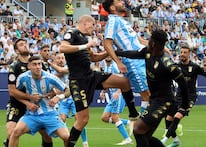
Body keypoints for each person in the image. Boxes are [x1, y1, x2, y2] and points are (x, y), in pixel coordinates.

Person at [60, 15, 139, 147]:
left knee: (123, 82)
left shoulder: (85, 39)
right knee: (82, 120)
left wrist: (111, 52)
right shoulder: (72, 33)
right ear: (85, 23)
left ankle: (133, 114)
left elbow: (94, 58)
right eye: (93, 25)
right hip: (78, 82)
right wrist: (85, 45)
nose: (94, 28)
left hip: (91, 75)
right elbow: (62, 48)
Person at [115, 29, 189, 147]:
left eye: (150, 39)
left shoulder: (167, 64)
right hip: (154, 100)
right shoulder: (148, 52)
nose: (148, 41)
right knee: (145, 136)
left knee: (138, 130)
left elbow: (182, 82)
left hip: (164, 102)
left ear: (154, 43)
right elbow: (134, 54)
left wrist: (185, 105)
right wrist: (117, 53)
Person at [161, 44, 206, 147]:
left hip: (189, 98)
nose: (182, 54)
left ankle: (163, 141)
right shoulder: (176, 66)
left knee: (177, 117)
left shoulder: (195, 67)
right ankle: (176, 141)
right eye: (181, 52)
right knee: (168, 119)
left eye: (185, 52)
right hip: (178, 96)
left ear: (189, 54)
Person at [102, 0, 150, 115]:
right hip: (133, 62)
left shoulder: (123, 21)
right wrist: (118, 62)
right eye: (118, 1)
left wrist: (159, 47)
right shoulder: (112, 21)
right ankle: (141, 128)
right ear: (112, 8)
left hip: (142, 58)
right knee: (147, 95)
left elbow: (139, 40)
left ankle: (142, 126)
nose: (122, 2)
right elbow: (107, 43)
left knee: (151, 94)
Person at [9, 55, 70, 147]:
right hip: (32, 115)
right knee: (15, 132)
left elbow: (68, 90)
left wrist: (58, 97)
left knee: (67, 137)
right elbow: (15, 94)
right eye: (34, 64)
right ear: (29, 66)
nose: (38, 67)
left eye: (39, 64)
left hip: (50, 114)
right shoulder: (23, 78)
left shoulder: (50, 77)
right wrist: (28, 103)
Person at [4, 39, 52, 147]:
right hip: (18, 104)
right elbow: (12, 91)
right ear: (17, 51)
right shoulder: (14, 66)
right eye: (21, 45)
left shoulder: (41, 64)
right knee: (11, 132)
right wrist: (28, 100)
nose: (25, 46)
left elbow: (50, 84)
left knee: (47, 135)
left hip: (38, 105)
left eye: (25, 44)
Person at [49, 52, 89, 147]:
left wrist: (52, 66)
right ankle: (70, 140)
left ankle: (85, 142)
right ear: (55, 60)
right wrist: (55, 91)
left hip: (75, 98)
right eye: (58, 58)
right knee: (62, 119)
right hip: (63, 100)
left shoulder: (70, 68)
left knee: (79, 119)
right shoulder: (52, 74)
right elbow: (53, 87)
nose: (60, 60)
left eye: (62, 58)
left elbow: (61, 71)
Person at [99, 56, 133, 145]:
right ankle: (129, 122)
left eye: (109, 55)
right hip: (112, 96)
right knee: (104, 118)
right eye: (106, 55)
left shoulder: (115, 66)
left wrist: (118, 91)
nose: (108, 57)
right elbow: (107, 81)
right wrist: (103, 91)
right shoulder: (105, 66)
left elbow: (123, 80)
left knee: (115, 117)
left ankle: (127, 139)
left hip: (119, 94)